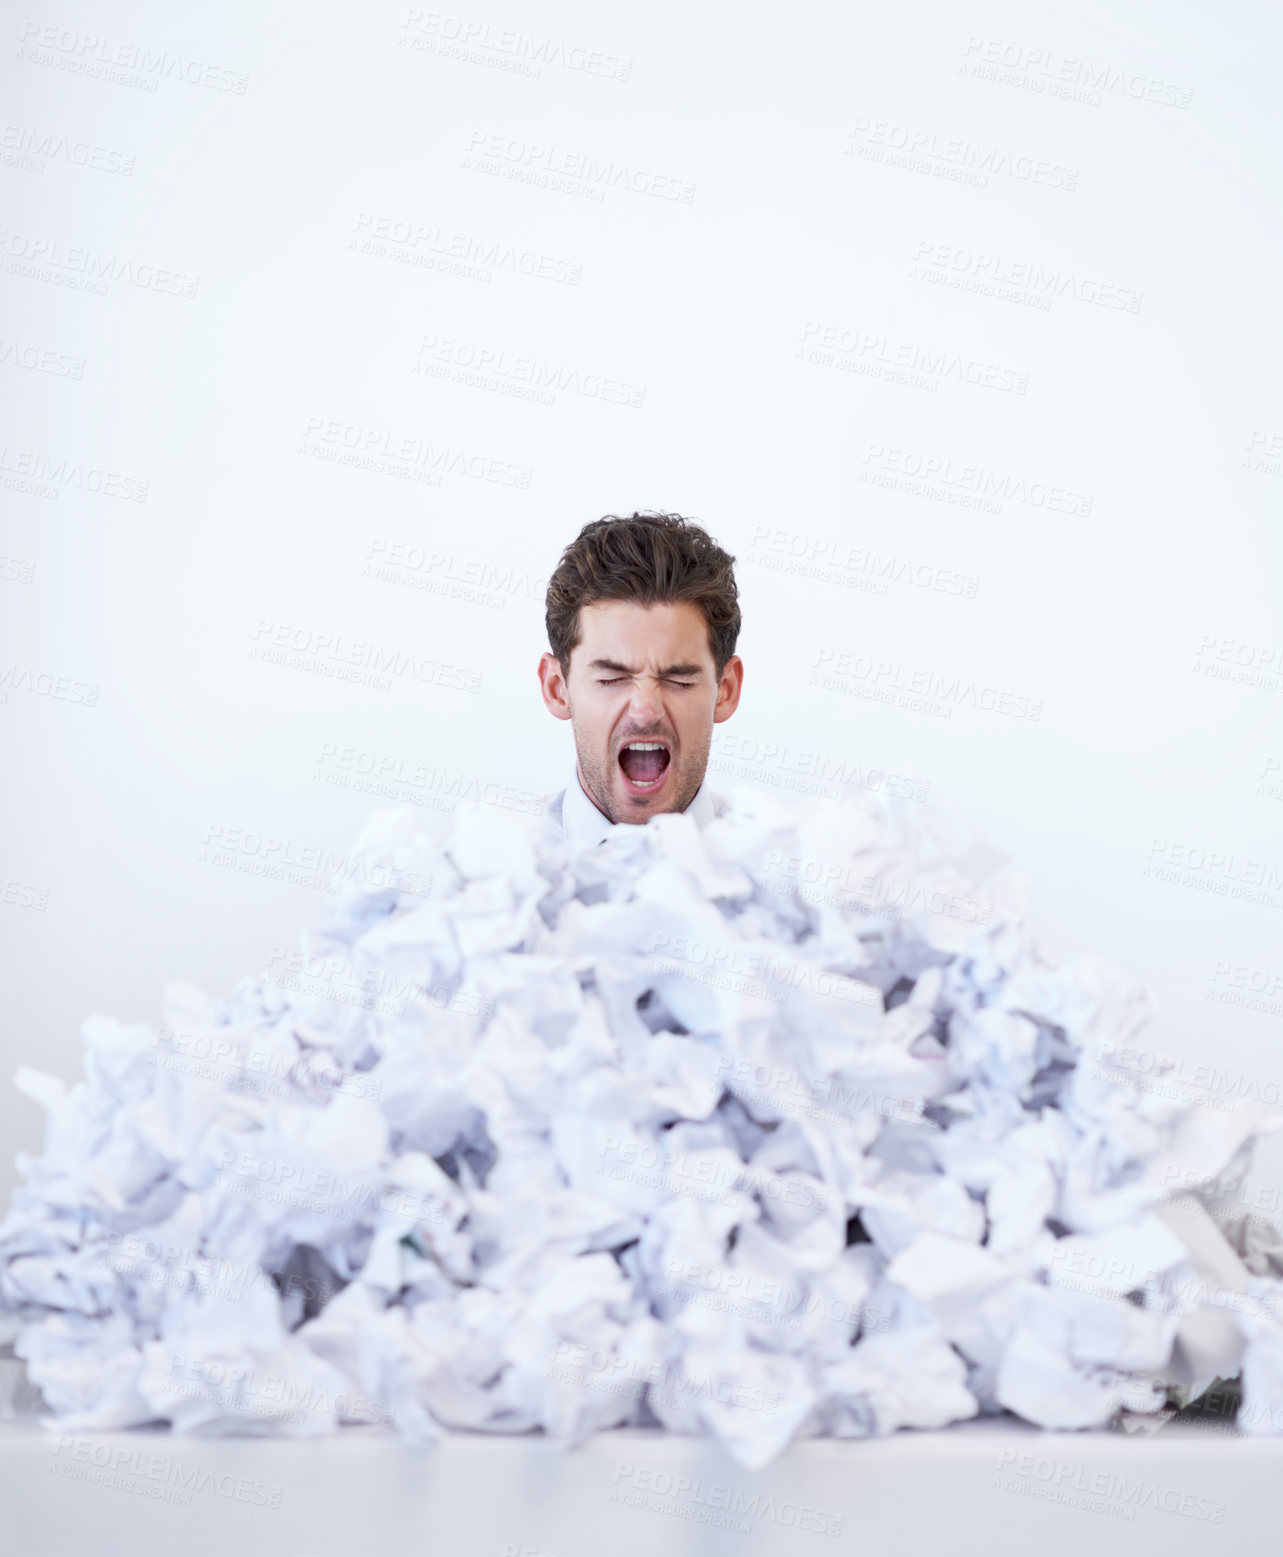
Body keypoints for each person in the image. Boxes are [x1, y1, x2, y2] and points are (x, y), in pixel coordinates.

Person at [538, 512, 744, 846]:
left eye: (679, 680)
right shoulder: (476, 880)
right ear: (556, 689)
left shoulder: (788, 876)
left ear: (726, 691)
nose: (645, 711)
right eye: (611, 678)